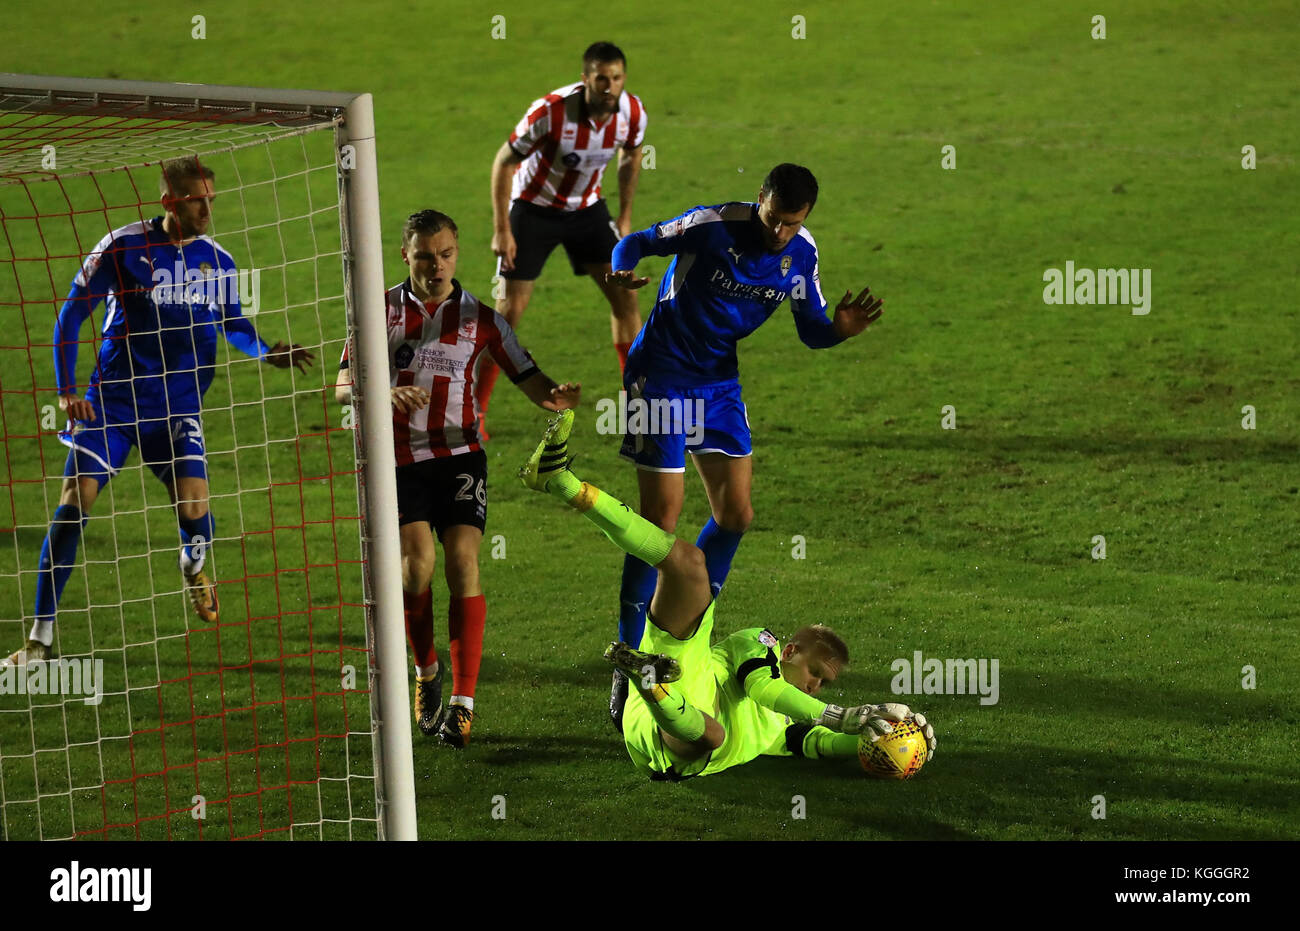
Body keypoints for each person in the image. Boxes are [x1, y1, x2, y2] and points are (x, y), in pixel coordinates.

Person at [602, 162, 885, 730]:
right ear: (761, 199)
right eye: (774, 218)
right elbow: (637, 240)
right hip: (660, 373)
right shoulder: (713, 225)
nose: (779, 232)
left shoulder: (801, 255)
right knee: (662, 519)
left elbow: (811, 328)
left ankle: (694, 619)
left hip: (719, 383)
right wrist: (621, 268)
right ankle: (628, 655)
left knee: (736, 514)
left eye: (791, 223)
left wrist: (840, 330)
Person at [2, 156, 313, 669]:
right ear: (170, 201)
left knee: (193, 509)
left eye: (212, 198)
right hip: (113, 402)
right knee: (74, 500)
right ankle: (39, 639)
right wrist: (65, 392)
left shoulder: (218, 261)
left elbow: (232, 324)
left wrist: (266, 351)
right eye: (197, 199)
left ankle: (193, 565)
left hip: (177, 407)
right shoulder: (123, 247)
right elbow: (71, 315)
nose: (207, 207)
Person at [520, 410, 935, 779]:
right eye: (816, 675)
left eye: (824, 686)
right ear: (789, 651)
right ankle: (560, 481)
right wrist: (842, 716)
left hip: (668, 743)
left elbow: (819, 744)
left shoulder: (784, 726)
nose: (815, 689)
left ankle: (649, 683)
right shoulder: (759, 646)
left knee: (713, 734)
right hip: (687, 670)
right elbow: (763, 689)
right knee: (688, 565)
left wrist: (894, 743)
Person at [335, 209, 580, 747]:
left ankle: (464, 705)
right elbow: (342, 388)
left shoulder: (483, 318)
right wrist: (381, 393)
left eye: (446, 254)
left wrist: (556, 398)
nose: (437, 264)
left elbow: (528, 375)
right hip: (397, 460)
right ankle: (426, 671)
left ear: (457, 255)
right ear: (406, 255)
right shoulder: (377, 312)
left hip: (460, 456)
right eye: (425, 255)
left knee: (463, 562)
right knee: (414, 569)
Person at [481, 40, 646, 439]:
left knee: (625, 296)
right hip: (533, 211)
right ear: (586, 79)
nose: (610, 87)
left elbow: (631, 157)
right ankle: (474, 411)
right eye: (601, 79)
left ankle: (637, 403)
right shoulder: (550, 113)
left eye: (617, 78)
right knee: (508, 314)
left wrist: (623, 216)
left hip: (587, 212)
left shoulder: (632, 113)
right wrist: (502, 228)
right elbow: (504, 162)